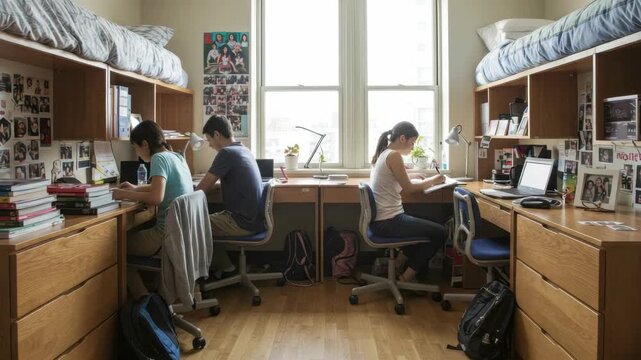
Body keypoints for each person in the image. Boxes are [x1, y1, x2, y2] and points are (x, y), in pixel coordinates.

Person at [112, 120, 193, 299]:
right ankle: (151, 302)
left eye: (136, 148)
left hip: (165, 235)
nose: (137, 153)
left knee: (115, 249)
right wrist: (135, 188)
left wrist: (122, 195)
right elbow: (160, 186)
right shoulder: (176, 156)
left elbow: (157, 197)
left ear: (145, 144)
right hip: (182, 233)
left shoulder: (158, 158)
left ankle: (145, 303)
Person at [369, 121, 446, 283]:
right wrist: (435, 179)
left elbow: (394, 177)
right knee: (441, 232)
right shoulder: (394, 156)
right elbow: (410, 189)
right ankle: (406, 277)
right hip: (389, 221)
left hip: (385, 219)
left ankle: (398, 266)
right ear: (402, 138)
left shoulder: (384, 154)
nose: (412, 147)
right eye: (412, 143)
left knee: (433, 223)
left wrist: (413, 176)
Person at [196, 115, 264, 279]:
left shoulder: (226, 153)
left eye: (209, 139)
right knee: (207, 218)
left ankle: (198, 277)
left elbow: (202, 189)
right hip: (253, 218)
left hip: (240, 221)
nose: (210, 145)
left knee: (192, 222)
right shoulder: (243, 149)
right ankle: (226, 267)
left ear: (217, 135)